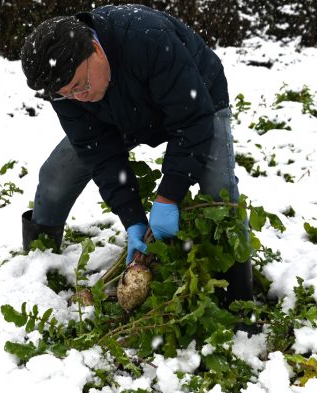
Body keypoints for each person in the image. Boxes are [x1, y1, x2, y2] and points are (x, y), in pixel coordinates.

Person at [19, 4, 252, 304]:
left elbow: (191, 122)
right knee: (56, 174)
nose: (80, 97)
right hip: (120, 114)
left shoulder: (148, 39)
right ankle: (39, 260)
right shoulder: (62, 84)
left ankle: (238, 298)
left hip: (198, 100)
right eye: (69, 94)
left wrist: (169, 196)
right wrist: (132, 219)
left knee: (218, 190)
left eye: (81, 85)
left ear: (95, 48)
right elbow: (99, 152)